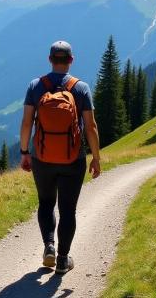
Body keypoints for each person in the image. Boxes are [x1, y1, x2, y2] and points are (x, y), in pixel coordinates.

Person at [19, 40, 101, 275]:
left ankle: (49, 247)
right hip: (72, 159)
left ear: (50, 60)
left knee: (46, 203)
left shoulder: (36, 86)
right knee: (68, 210)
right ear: (71, 60)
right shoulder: (81, 88)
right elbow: (91, 127)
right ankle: (63, 260)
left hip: (42, 158)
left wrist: (25, 153)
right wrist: (95, 157)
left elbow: (26, 123)